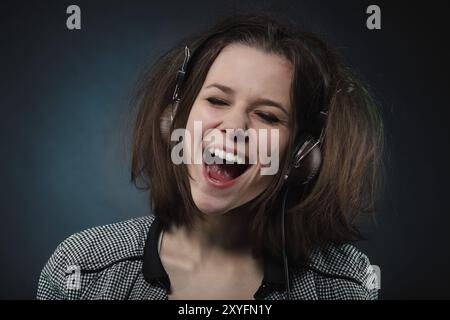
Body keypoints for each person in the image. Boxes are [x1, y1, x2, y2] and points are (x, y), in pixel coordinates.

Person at [37, 13, 383, 300]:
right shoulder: (81, 268)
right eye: (217, 100)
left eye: (267, 115)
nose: (234, 127)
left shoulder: (345, 285)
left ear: (302, 155)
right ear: (175, 119)